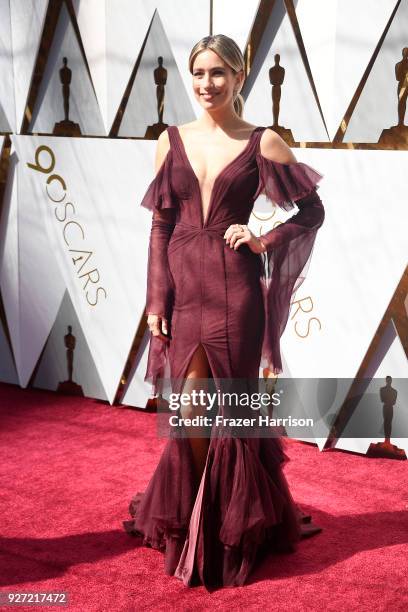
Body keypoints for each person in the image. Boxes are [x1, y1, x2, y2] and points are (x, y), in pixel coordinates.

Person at [123, 34, 325, 589]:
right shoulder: (170, 141)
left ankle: (228, 530)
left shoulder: (264, 143)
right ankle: (196, 518)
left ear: (238, 77)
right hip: (185, 286)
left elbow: (313, 211)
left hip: (236, 289)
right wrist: (156, 300)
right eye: (199, 73)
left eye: (218, 73)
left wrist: (261, 239)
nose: (207, 84)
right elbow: (160, 225)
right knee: (189, 409)